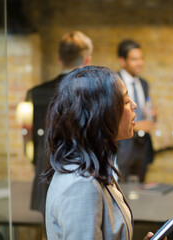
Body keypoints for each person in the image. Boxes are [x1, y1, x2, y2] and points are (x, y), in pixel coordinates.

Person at [42, 66, 161, 240]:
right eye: (127, 101)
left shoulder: (95, 166)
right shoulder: (81, 184)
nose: (134, 106)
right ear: (102, 112)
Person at [25, 30, 93, 215]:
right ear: (87, 60)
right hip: (80, 174)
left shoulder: (36, 92)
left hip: (44, 168)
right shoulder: (91, 94)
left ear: (59, 58)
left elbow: (30, 136)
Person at [116, 39, 155, 182]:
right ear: (122, 61)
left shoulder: (144, 84)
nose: (140, 63)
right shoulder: (113, 81)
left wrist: (151, 115)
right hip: (122, 148)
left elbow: (142, 110)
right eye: (134, 59)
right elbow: (110, 115)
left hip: (142, 147)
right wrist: (136, 125)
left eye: (141, 58)